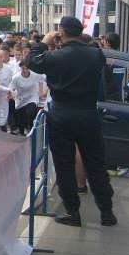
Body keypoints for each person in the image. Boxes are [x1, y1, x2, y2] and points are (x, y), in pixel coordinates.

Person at [28, 15, 116, 227]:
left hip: (62, 114)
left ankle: (72, 211)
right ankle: (106, 212)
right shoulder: (96, 55)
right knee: (96, 164)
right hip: (87, 113)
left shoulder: (55, 57)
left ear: (61, 32)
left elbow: (31, 61)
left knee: (64, 164)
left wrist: (42, 42)